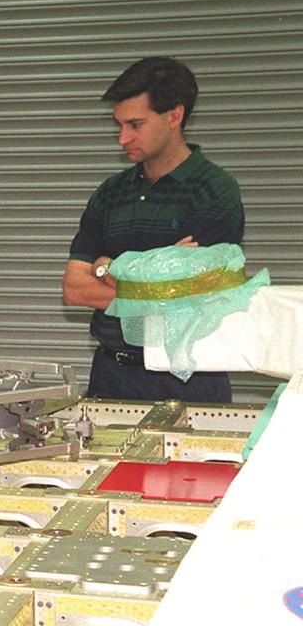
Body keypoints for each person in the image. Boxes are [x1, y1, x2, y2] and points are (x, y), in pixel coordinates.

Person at [63, 57, 245, 401]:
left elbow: (188, 297)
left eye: (135, 124)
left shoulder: (215, 191)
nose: (122, 138)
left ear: (174, 116)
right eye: (119, 125)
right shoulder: (110, 192)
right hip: (110, 374)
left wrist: (106, 267)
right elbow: (74, 289)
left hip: (186, 377)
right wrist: (145, 275)